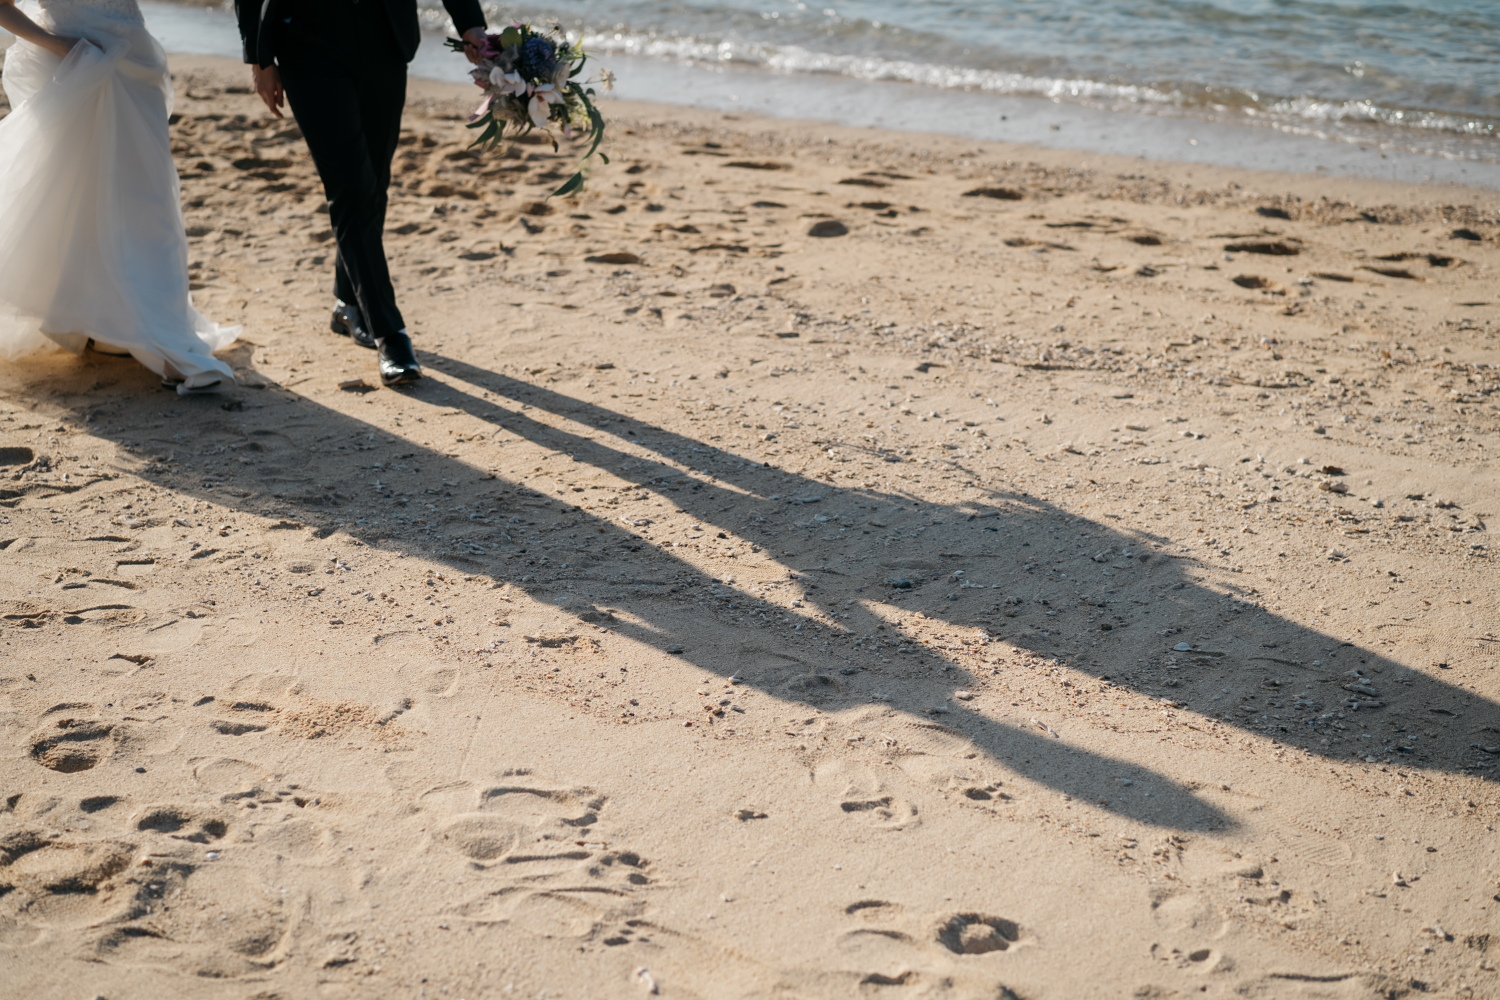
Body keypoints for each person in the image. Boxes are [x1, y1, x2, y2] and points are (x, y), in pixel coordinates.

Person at [235, 0, 487, 387]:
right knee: (352, 188)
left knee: (373, 184)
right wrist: (258, 56)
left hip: (385, 39)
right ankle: (390, 334)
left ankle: (347, 302)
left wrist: (470, 24)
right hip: (306, 40)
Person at [0, 0, 238, 394]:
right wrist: (59, 44)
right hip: (69, 60)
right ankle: (101, 324)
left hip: (131, 62)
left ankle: (149, 327)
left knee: (147, 200)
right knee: (70, 197)